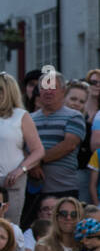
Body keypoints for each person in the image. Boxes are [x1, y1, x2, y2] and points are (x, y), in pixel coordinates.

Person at [0, 72, 42, 225]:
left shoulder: (20, 116)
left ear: (1, 92)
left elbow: (38, 151)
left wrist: (21, 170)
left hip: (10, 183)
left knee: (8, 232)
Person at [28, 75, 87, 222]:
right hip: (34, 189)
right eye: (44, 88)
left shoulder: (74, 116)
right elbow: (22, 146)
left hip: (64, 188)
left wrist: (35, 162)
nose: (48, 92)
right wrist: (31, 165)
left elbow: (69, 145)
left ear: (63, 91)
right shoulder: (29, 118)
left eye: (53, 88)